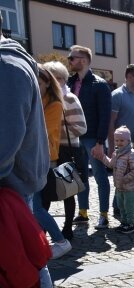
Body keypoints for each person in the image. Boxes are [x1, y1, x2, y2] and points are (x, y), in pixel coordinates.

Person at [0, 18, 56, 288]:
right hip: (10, 181)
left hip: (11, 183)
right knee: (9, 254)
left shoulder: (7, 68)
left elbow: (5, 142)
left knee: (25, 256)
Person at [40, 61, 87, 242]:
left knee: (68, 190)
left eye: (59, 77)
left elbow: (82, 128)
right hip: (51, 150)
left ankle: (68, 227)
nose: (56, 81)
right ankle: (42, 230)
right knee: (46, 192)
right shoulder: (46, 98)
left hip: (67, 149)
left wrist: (58, 128)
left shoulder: (70, 98)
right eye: (53, 77)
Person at [66, 45, 112, 229]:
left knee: (100, 176)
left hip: (93, 138)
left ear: (83, 60)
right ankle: (83, 213)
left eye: (72, 58)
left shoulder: (99, 85)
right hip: (74, 139)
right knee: (80, 177)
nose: (69, 61)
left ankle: (104, 215)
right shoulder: (70, 83)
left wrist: (100, 142)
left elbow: (105, 115)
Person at [33, 65, 72, 259]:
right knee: (36, 206)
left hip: (44, 158)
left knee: (36, 207)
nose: (35, 85)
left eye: (39, 82)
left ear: (48, 83)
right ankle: (39, 243)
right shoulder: (37, 99)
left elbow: (41, 131)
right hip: (34, 158)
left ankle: (60, 240)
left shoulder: (54, 103)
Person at [108, 64, 134, 222]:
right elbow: (111, 123)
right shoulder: (117, 95)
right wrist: (112, 147)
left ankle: (117, 206)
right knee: (131, 179)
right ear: (129, 76)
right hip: (121, 147)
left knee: (126, 179)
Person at [95, 126, 134, 233]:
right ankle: (124, 222)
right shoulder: (116, 153)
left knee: (129, 206)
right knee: (121, 206)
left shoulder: (131, 153)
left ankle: (130, 224)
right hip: (119, 187)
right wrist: (102, 157)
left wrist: (125, 179)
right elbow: (111, 164)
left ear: (128, 141)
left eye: (122, 140)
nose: (119, 143)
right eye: (117, 140)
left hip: (129, 187)